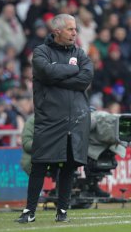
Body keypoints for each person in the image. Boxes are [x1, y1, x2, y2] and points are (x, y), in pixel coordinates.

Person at [15, 14, 93, 223]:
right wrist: (73, 70)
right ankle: (29, 211)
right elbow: (47, 72)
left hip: (75, 119)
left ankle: (63, 210)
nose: (74, 33)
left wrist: (59, 78)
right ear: (57, 31)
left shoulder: (80, 53)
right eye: (70, 29)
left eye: (75, 29)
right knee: (39, 164)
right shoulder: (41, 52)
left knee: (68, 167)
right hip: (49, 118)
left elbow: (86, 78)